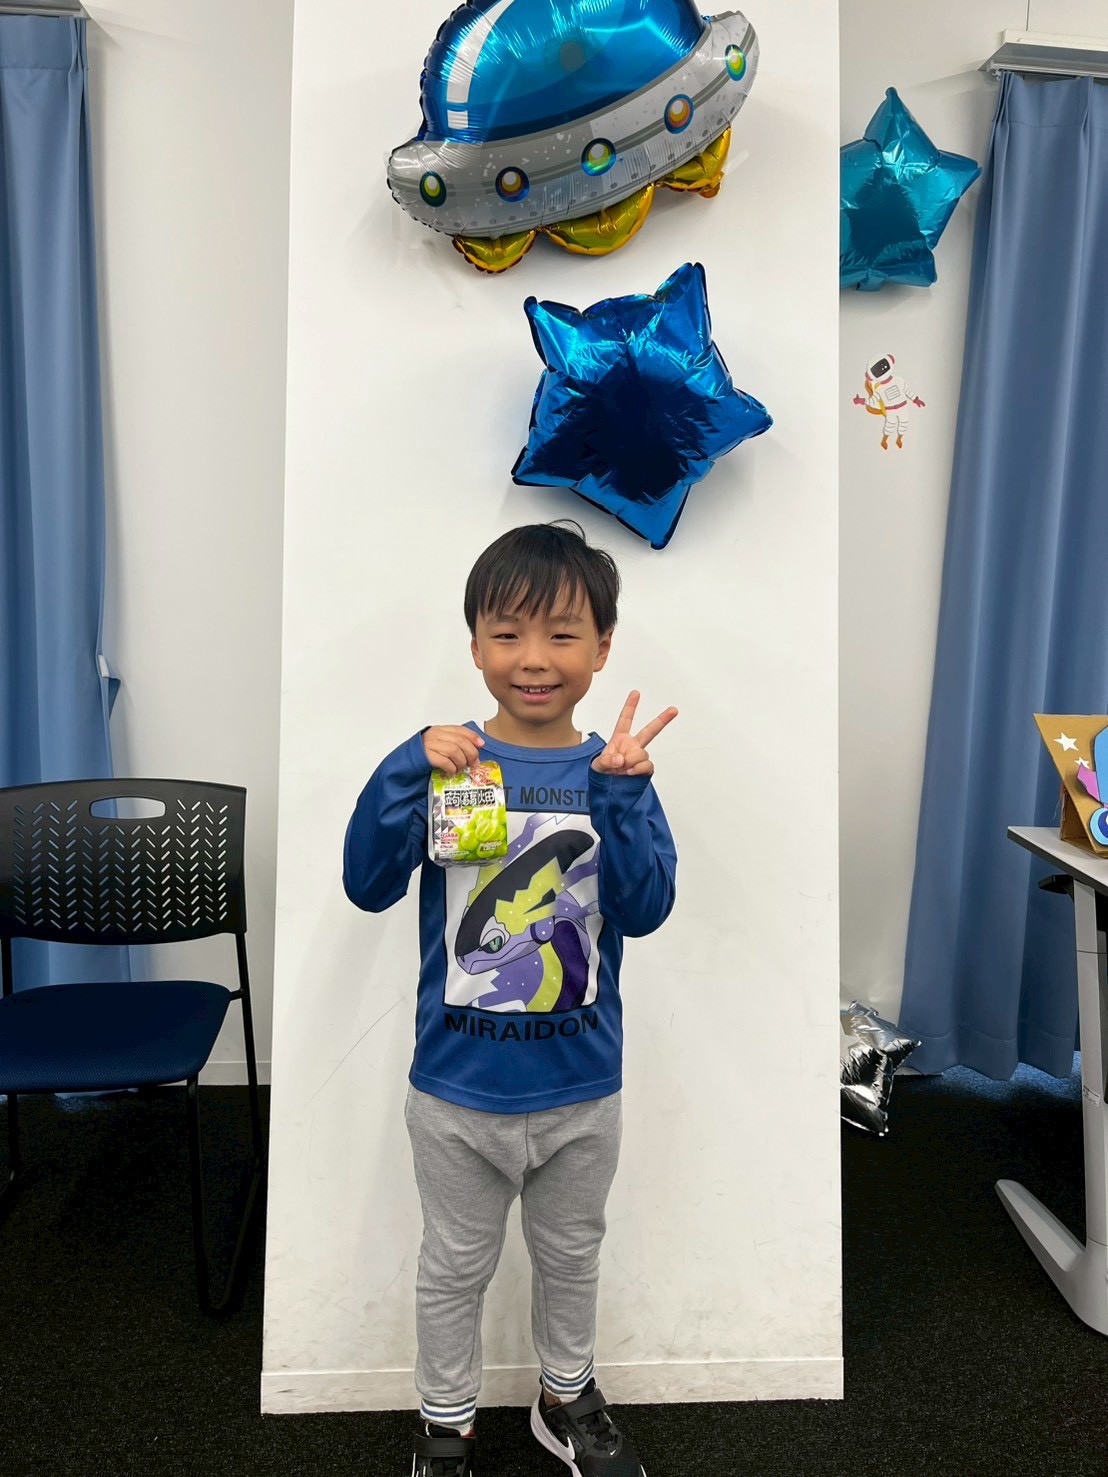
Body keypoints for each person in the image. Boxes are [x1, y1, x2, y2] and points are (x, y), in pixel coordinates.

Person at [343, 520, 678, 1477]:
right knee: (452, 1266)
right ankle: (446, 1422)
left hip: (582, 1086)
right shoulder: (448, 765)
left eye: (563, 633)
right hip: (457, 1089)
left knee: (572, 1256)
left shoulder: (614, 775)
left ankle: (566, 1395)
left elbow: (647, 909)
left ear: (602, 648)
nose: (534, 658)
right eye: (508, 633)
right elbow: (367, 883)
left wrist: (624, 799)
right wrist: (406, 766)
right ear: (475, 644)